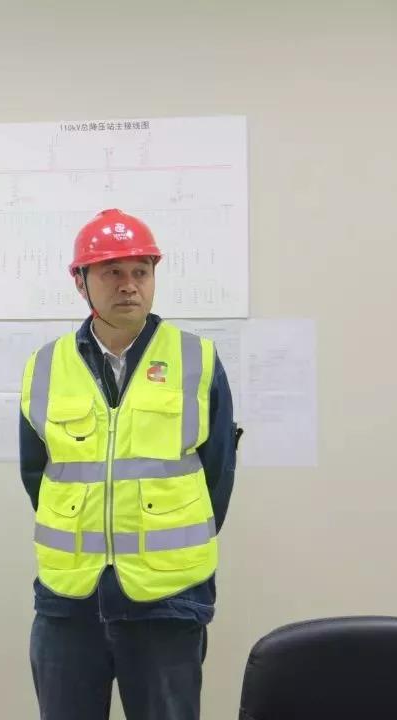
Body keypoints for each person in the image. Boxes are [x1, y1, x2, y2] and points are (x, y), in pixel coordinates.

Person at [20, 209, 240, 720]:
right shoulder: (45, 365)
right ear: (80, 282)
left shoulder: (197, 359)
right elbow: (37, 473)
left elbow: (219, 474)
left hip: (167, 597)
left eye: (141, 271)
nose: (129, 285)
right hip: (69, 599)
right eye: (112, 272)